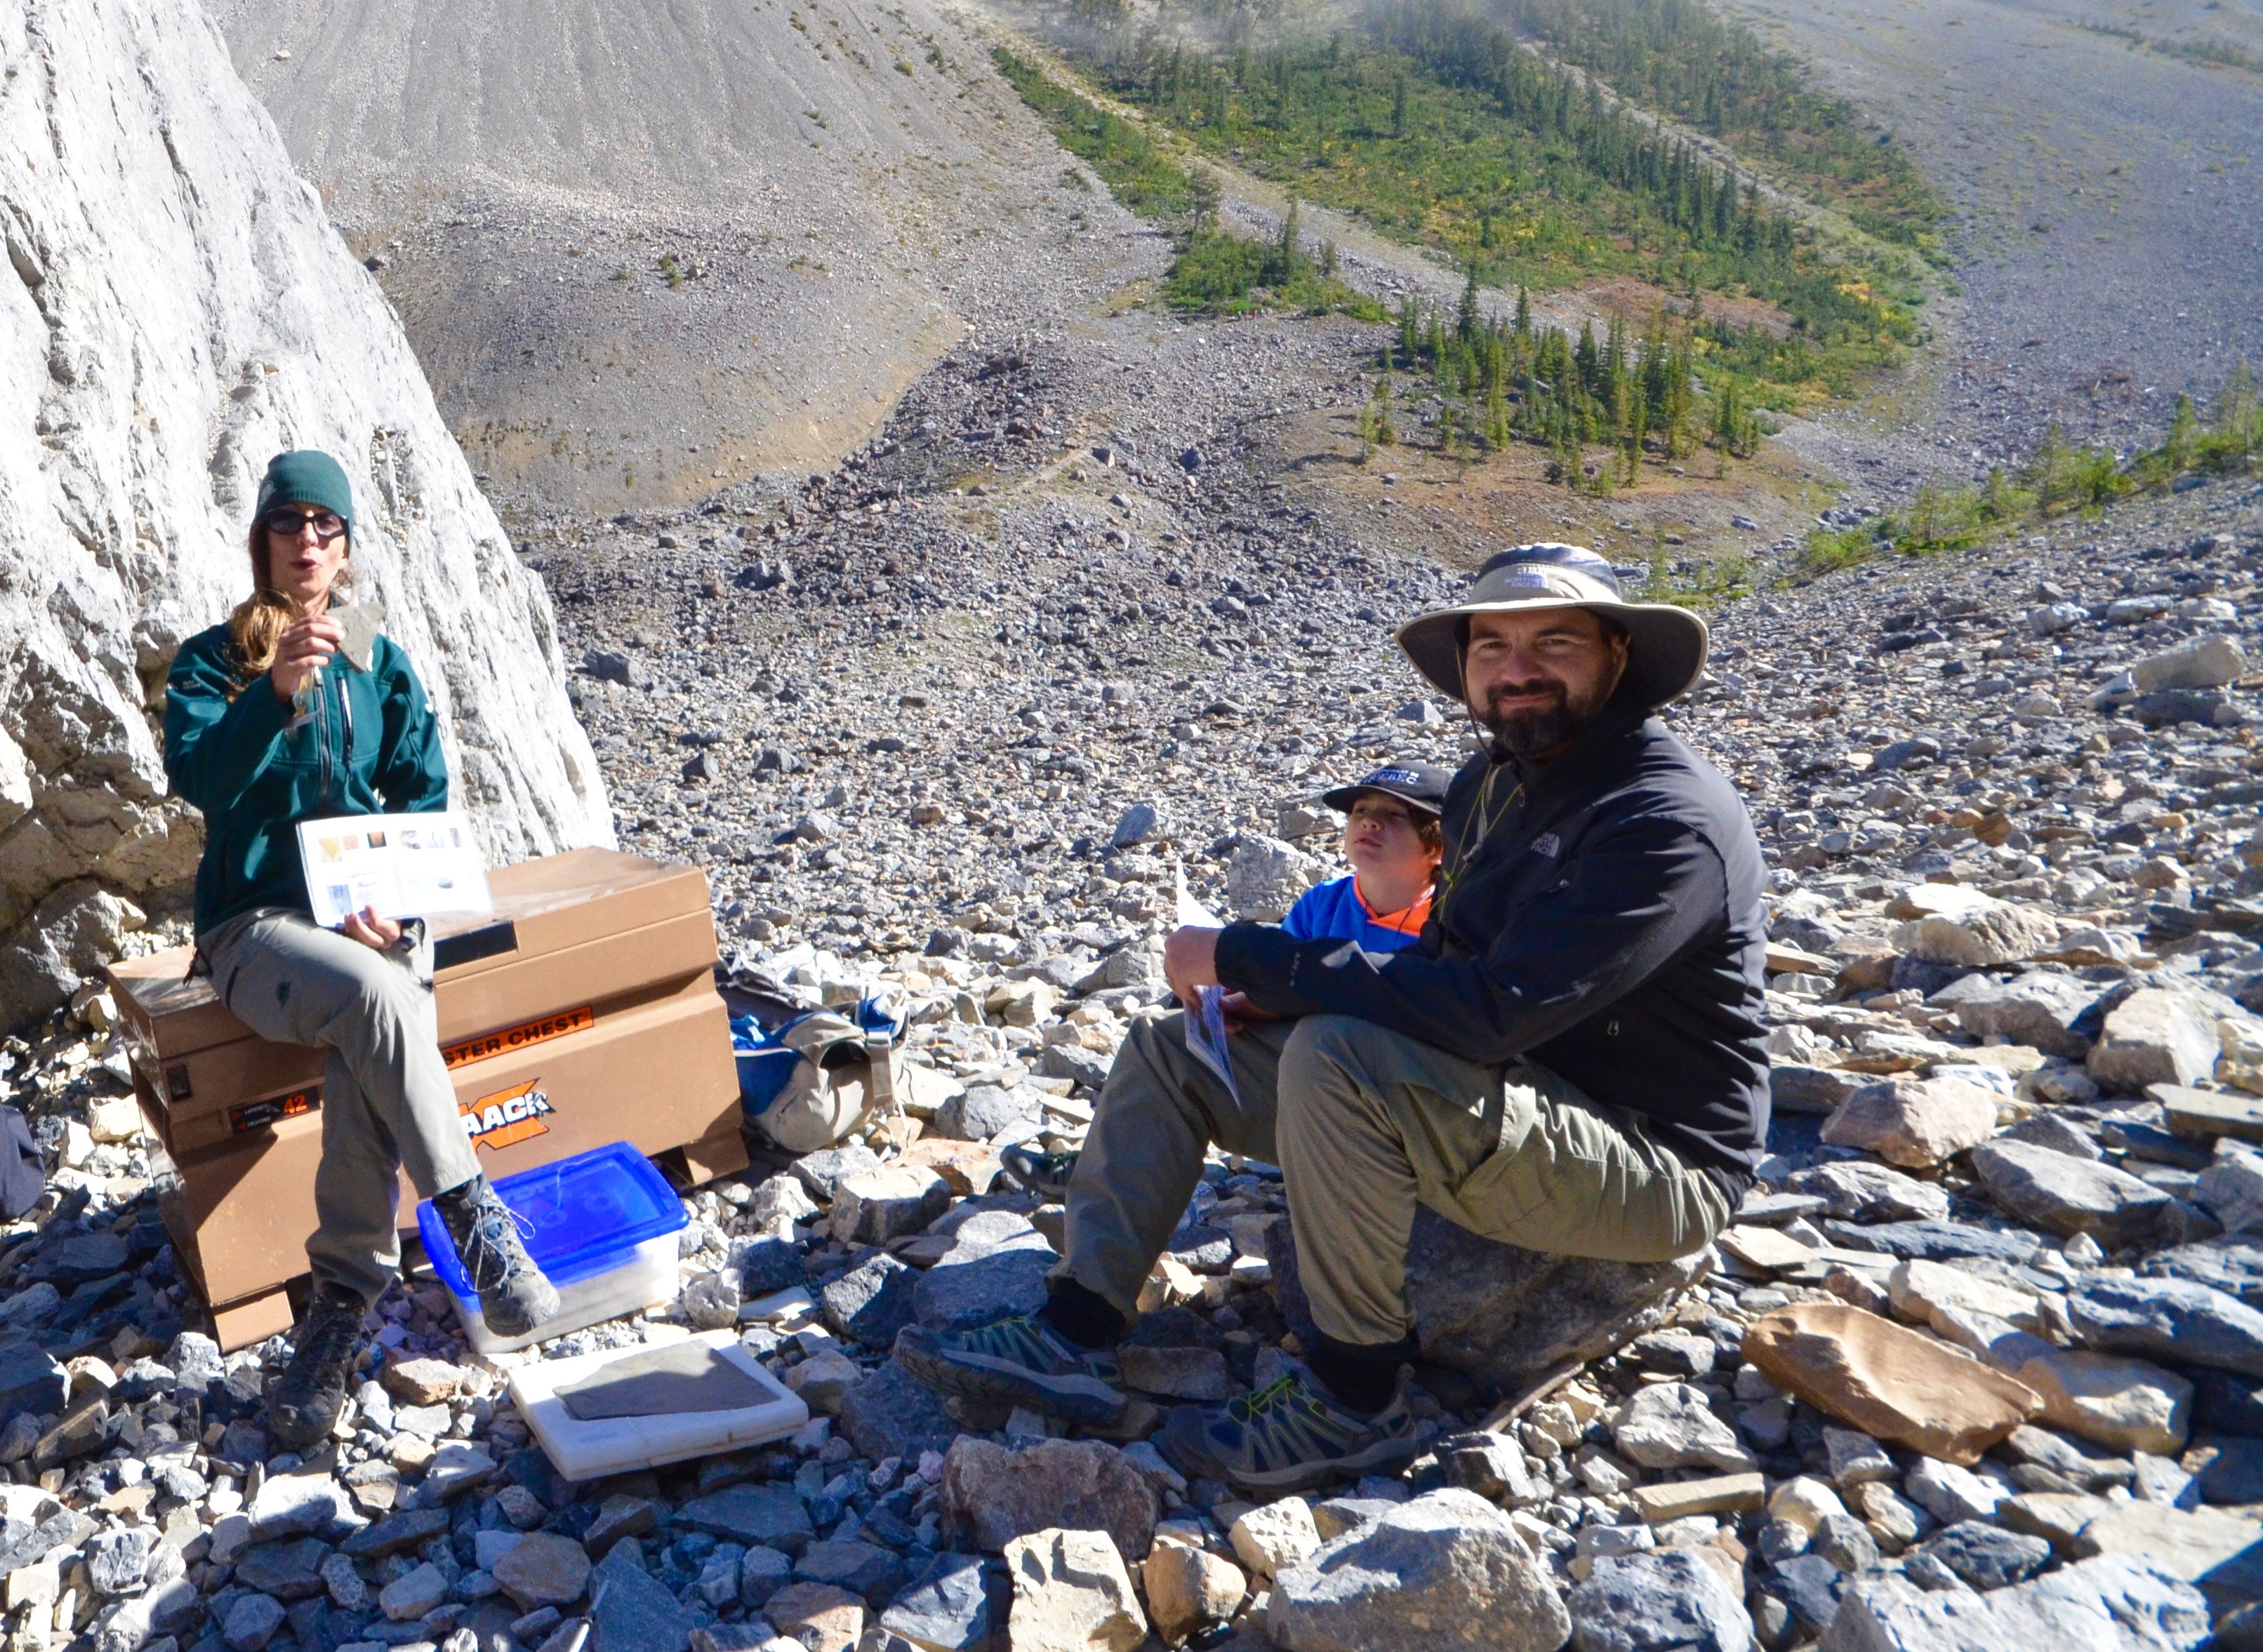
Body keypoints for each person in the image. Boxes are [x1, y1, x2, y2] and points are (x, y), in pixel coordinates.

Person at [898, 542, 1769, 1495]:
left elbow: (1490, 1011)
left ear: (1617, 653)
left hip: (1652, 1160)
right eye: (1491, 647)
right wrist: (1271, 990)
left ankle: (1357, 1398)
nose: (1517, 669)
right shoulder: (1493, 784)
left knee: (1337, 1054)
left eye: (1554, 642)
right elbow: (1441, 962)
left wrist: (1251, 953)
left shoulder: (1660, 817)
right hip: (1517, 1091)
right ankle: (1077, 1325)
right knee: (1173, 1046)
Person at [165, 450, 559, 1449]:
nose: (307, 541)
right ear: (262, 543)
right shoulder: (215, 661)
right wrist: (272, 694)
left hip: (375, 919)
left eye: (325, 527)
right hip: (257, 927)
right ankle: (472, 1215)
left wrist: (391, 898)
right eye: (288, 524)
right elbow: (200, 781)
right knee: (384, 1003)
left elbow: (421, 787)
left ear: (345, 548)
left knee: (371, 1020)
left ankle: (338, 1313)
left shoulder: (380, 657)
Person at [1279, 764, 1452, 955]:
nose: (1369, 822)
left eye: (1395, 814)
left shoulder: (1452, 925)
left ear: (1439, 849)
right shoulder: (1322, 903)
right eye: (1361, 810)